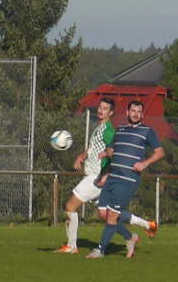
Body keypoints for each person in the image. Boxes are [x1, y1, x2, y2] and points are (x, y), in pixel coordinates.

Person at [86, 100, 165, 259]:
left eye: (139, 111)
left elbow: (160, 152)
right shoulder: (120, 130)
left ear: (142, 115)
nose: (135, 114)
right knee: (103, 214)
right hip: (112, 177)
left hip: (127, 179)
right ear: (127, 113)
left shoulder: (147, 131)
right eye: (133, 110)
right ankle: (130, 237)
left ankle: (100, 250)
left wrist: (144, 163)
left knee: (113, 215)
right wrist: (106, 158)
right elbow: (112, 150)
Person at [54, 98, 116, 254]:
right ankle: (144, 227)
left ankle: (72, 246)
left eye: (105, 108)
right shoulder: (98, 128)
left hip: (96, 177)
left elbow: (113, 151)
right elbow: (91, 149)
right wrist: (81, 156)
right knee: (108, 214)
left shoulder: (108, 130)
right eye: (100, 107)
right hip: (92, 176)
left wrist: (106, 172)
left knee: (70, 206)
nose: (101, 110)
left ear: (111, 112)